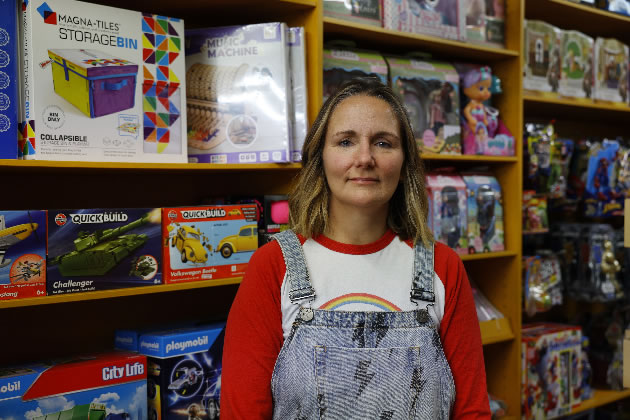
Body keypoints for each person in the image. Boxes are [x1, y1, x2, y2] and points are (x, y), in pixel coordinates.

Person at [220, 77, 491, 419]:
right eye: (346, 141)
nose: (364, 158)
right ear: (320, 158)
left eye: (383, 143)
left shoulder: (442, 267)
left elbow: (472, 411)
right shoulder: (274, 265)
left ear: (404, 163)